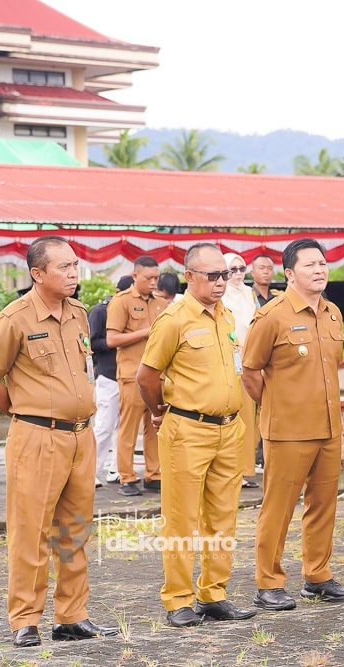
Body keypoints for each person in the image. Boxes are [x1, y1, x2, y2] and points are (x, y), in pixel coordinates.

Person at [0, 235, 119, 648]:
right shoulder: (14, 319)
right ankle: (25, 619)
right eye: (64, 267)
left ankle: (72, 616)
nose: (74, 273)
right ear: (37, 274)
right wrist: (24, 412)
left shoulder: (78, 313)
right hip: (37, 437)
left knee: (73, 531)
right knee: (31, 532)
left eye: (75, 265)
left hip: (80, 436)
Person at [136, 243, 257, 628]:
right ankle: (178, 599)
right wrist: (159, 411)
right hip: (187, 429)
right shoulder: (174, 319)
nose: (221, 282)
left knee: (223, 517)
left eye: (225, 274)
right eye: (213, 275)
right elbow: (147, 376)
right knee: (182, 518)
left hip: (229, 429)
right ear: (189, 277)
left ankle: (213, 594)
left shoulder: (226, 315)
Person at [241, 238, 344, 611]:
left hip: (328, 427)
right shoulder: (272, 316)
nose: (319, 270)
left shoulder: (333, 313)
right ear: (290, 274)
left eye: (322, 263)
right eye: (310, 265)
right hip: (288, 431)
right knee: (278, 508)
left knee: (323, 505)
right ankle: (269, 583)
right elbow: (250, 372)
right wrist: (277, 406)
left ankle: (318, 576)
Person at [106, 256, 168, 497]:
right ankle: (127, 476)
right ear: (135, 276)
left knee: (155, 427)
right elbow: (112, 339)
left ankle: (154, 475)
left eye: (156, 278)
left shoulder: (161, 303)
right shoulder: (121, 301)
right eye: (148, 278)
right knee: (128, 428)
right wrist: (145, 332)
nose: (153, 282)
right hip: (132, 375)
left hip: (157, 376)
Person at [89, 275, 134, 487]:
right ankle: (90, 473)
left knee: (123, 428)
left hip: (129, 376)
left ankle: (116, 469)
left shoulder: (135, 312)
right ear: (118, 293)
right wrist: (117, 340)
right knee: (104, 426)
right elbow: (91, 342)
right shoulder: (100, 311)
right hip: (108, 375)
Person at [221, 252, 261, 489]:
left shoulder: (249, 293)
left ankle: (245, 469)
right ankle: (230, 471)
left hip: (250, 359)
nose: (237, 274)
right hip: (229, 360)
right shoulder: (219, 294)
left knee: (250, 417)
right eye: (232, 270)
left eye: (241, 269)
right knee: (231, 417)